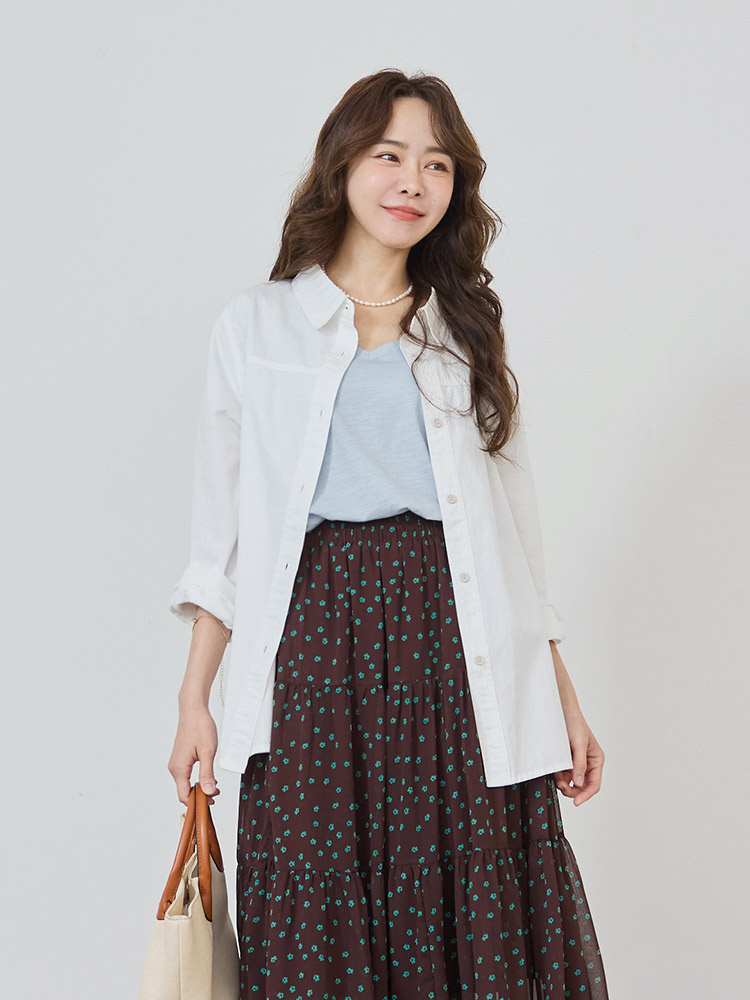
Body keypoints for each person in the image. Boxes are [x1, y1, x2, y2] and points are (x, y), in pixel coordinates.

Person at [167, 68, 610, 1000]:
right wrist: (195, 700)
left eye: (437, 164)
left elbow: (516, 541)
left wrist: (561, 698)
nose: (414, 181)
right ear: (342, 166)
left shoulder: (465, 330)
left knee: (467, 881)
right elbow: (225, 540)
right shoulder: (258, 326)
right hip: (315, 642)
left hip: (457, 642)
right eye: (390, 156)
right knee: (317, 876)